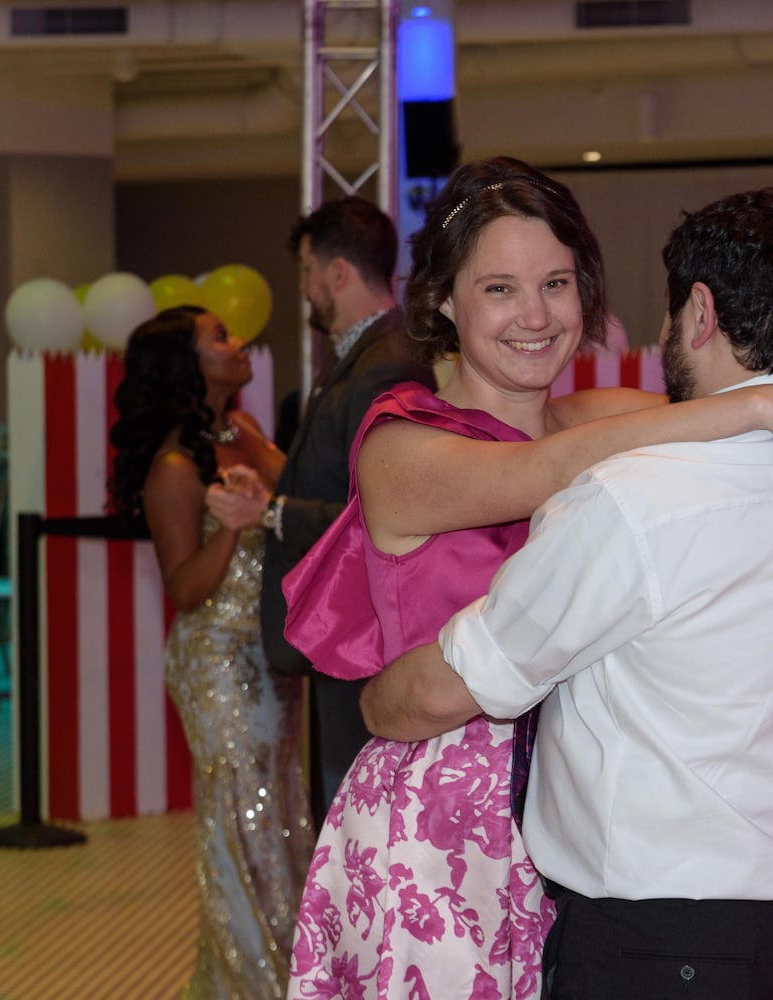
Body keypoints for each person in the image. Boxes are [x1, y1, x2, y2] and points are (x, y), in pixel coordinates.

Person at [356, 185, 773, 1000]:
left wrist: (766, 404)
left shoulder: (620, 437)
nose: (535, 314)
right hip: (453, 822)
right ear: (445, 301)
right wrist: (766, 399)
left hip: (622, 877)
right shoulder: (408, 443)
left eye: (556, 283)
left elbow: (638, 456)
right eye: (499, 287)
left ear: (696, 311)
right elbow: (530, 471)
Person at [107, 305, 313, 1000]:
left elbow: (300, 501)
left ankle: (293, 971)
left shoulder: (245, 430)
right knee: (240, 821)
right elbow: (184, 588)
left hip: (271, 658)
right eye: (218, 338)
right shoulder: (172, 466)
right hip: (219, 665)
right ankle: (253, 982)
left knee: (281, 809)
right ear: (186, 367)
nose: (239, 344)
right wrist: (230, 529)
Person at [258, 195, 438, 817]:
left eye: (308, 273)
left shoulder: (384, 366)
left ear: (338, 274)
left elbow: (372, 511)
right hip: (352, 628)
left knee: (359, 813)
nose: (304, 289)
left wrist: (273, 512)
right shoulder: (364, 356)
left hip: (364, 629)